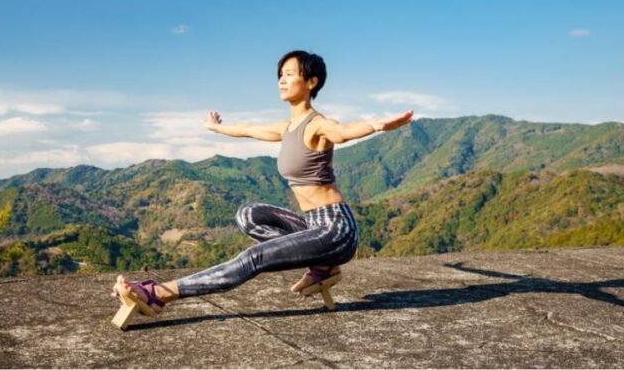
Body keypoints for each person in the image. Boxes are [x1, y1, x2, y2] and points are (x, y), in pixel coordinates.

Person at [111, 50, 413, 328]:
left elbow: (344, 131)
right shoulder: (287, 128)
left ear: (311, 82)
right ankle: (322, 267)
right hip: (312, 225)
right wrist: (217, 128)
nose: (282, 79)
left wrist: (378, 125)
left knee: (255, 257)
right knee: (248, 214)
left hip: (336, 229)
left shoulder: (318, 125)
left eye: (290, 73)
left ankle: (158, 293)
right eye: (280, 73)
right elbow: (249, 130)